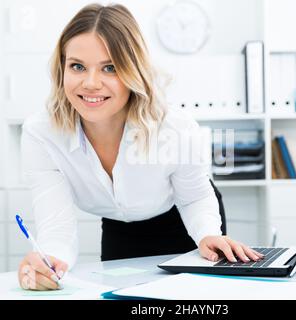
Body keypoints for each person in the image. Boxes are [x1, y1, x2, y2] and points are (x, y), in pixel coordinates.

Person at [17, 3, 263, 291]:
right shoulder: (41, 134)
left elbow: (194, 198)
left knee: (192, 298)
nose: (91, 83)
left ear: (133, 70)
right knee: (124, 296)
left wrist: (207, 233)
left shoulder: (174, 127)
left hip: (183, 218)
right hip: (118, 224)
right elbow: (56, 224)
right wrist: (50, 261)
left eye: (109, 67)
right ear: (62, 69)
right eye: (77, 66)